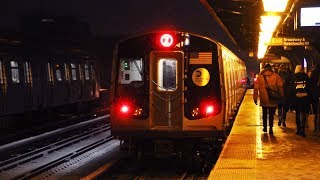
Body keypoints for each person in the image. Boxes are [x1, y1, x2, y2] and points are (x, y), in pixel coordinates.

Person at [254, 63, 284, 134]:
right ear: (271, 69)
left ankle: (265, 127)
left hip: (264, 98)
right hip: (273, 98)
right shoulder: (276, 76)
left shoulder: (260, 77)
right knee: (271, 114)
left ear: (264, 69)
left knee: (264, 113)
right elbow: (280, 87)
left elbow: (256, 88)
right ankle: (270, 127)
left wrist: (255, 98)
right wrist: (281, 96)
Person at [291, 65, 311, 137]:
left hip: (296, 97)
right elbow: (309, 87)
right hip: (305, 97)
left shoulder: (294, 77)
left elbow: (291, 88)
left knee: (298, 113)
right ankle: (303, 129)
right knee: (303, 113)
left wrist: (294, 94)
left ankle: (298, 129)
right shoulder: (306, 77)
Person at [309, 64, 320, 131]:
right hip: (316, 93)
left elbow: (311, 84)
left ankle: (315, 124)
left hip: (314, 94)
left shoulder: (314, 73)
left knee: (314, 110)